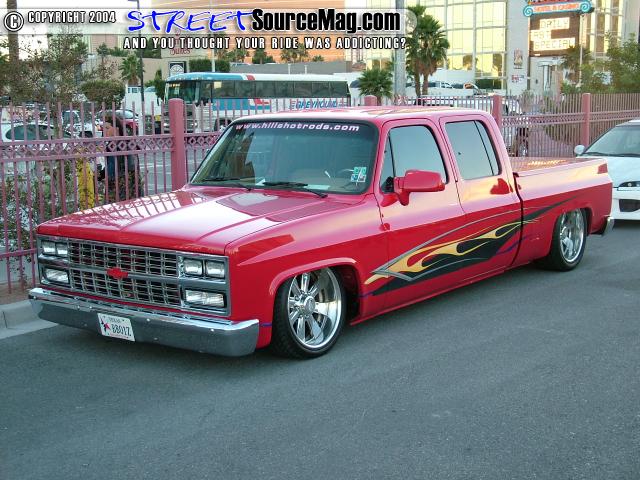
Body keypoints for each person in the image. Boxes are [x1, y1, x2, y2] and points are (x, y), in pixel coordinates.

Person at [98, 117, 143, 201]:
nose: (104, 131)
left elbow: (131, 168)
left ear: (117, 128)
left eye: (107, 128)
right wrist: (100, 175)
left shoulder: (127, 144)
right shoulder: (110, 145)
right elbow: (111, 165)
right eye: (103, 128)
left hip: (126, 187)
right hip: (112, 186)